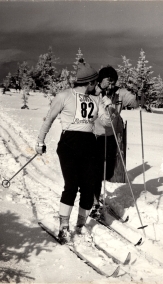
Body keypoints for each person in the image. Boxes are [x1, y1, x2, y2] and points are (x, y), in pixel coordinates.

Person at [35, 59, 112, 243]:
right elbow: (49, 119)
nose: (96, 86)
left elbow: (106, 122)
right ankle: (63, 227)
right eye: (94, 83)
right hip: (69, 144)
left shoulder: (96, 99)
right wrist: (40, 141)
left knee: (87, 187)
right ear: (90, 82)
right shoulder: (65, 96)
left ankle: (80, 226)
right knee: (71, 185)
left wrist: (107, 107)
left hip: (89, 144)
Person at [93, 66, 138, 206]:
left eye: (114, 81)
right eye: (108, 81)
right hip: (95, 135)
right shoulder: (94, 92)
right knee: (97, 168)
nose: (111, 84)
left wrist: (138, 96)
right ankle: (94, 198)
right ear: (100, 80)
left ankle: (94, 188)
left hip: (112, 134)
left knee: (109, 168)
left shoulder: (120, 93)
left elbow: (134, 102)